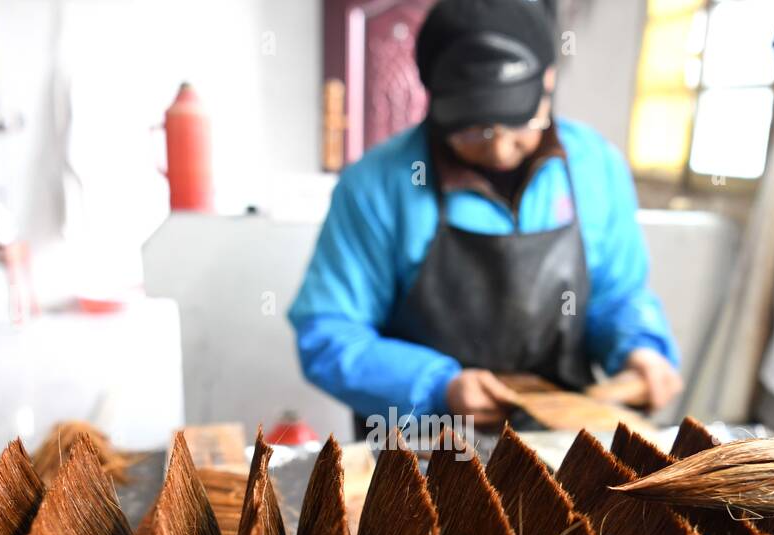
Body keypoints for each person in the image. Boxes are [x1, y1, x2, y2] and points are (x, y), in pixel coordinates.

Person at [289, 0, 681, 432]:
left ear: (547, 82)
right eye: (473, 129)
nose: (497, 148)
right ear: (434, 99)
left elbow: (618, 296)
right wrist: (439, 386)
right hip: (418, 449)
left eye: (516, 122)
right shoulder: (376, 185)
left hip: (559, 443)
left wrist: (640, 349)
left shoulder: (596, 167)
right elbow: (327, 333)